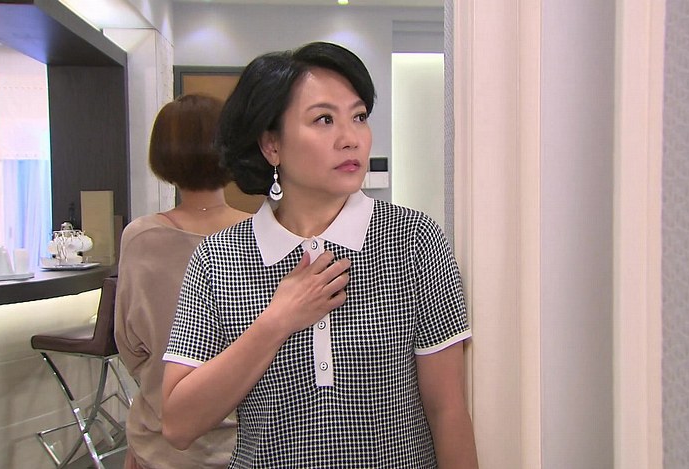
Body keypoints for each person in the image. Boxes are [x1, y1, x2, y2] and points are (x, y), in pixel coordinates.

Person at [161, 42, 478, 468]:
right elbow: (178, 424)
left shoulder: (414, 240)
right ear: (271, 145)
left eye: (359, 117)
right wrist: (277, 321)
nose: (351, 139)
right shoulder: (218, 259)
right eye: (324, 120)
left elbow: (448, 410)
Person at [114, 94, 251, 469]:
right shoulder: (263, 235)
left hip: (162, 439)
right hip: (250, 437)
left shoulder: (141, 237)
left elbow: (130, 345)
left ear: (162, 155)